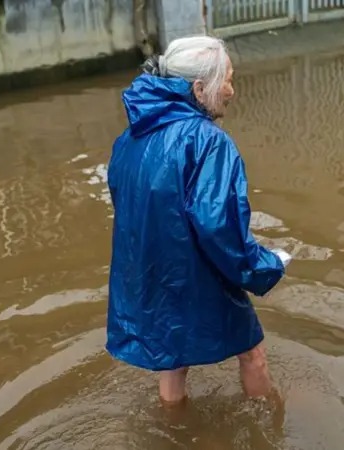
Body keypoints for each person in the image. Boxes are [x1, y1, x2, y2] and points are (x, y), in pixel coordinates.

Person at [105, 35, 292, 405]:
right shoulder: (208, 141)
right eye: (227, 79)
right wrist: (265, 266)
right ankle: (270, 420)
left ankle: (172, 431)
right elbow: (219, 227)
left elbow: (127, 206)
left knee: (171, 362)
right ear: (199, 87)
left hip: (152, 272)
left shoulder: (128, 140)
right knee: (251, 352)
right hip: (198, 271)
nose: (231, 90)